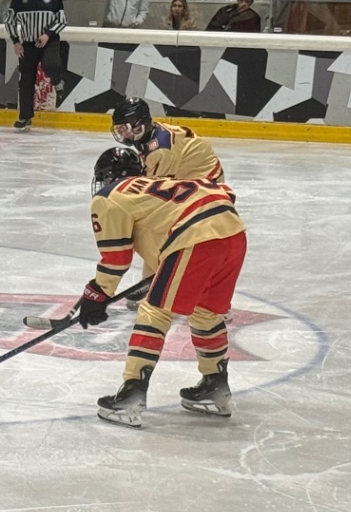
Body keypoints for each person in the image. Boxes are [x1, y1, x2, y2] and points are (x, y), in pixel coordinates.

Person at [81, 147, 247, 426]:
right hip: (234, 233)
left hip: (195, 236)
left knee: (154, 312)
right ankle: (215, 388)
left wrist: (97, 294)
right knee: (206, 312)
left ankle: (131, 396)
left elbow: (116, 258)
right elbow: (223, 193)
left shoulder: (110, 196)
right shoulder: (161, 183)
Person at [110, 97, 226, 184]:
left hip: (209, 190)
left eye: (124, 127)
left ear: (139, 124)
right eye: (119, 129)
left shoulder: (160, 149)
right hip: (203, 179)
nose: (122, 133)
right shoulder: (154, 132)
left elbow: (154, 192)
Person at [5, 0, 64, 130]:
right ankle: (25, 117)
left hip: (49, 41)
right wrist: (16, 42)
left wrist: (47, 34)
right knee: (26, 80)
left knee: (50, 64)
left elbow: (61, 20)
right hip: (28, 43)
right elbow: (9, 22)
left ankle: (58, 81)